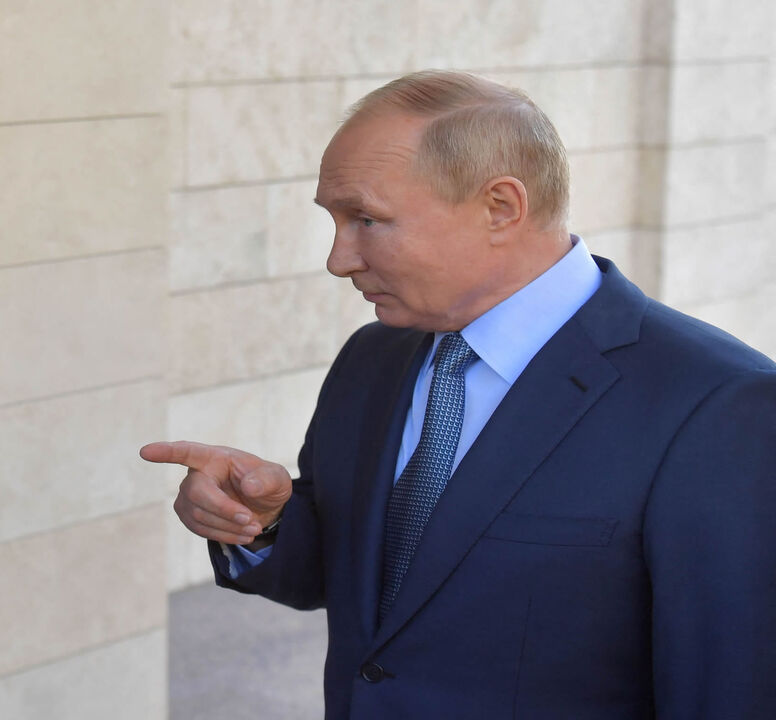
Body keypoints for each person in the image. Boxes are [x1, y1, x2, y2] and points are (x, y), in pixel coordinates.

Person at [142, 70, 776, 718]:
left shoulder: (719, 405)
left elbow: (729, 686)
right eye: (334, 221)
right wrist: (264, 523)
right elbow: (376, 591)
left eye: (366, 219)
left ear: (501, 207)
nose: (339, 258)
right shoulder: (373, 357)